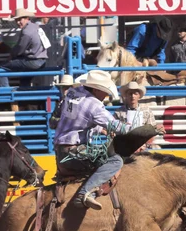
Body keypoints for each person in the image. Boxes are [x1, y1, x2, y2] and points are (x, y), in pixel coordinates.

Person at [54, 70, 132, 210]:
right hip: (74, 153)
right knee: (115, 160)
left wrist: (100, 129)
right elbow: (117, 126)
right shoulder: (94, 105)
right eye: (105, 91)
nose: (106, 95)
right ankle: (85, 193)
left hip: (61, 152)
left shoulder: (74, 92)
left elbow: (79, 120)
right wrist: (139, 129)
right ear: (96, 89)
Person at [0, 8, 48, 88]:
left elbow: (19, 49)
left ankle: (4, 92)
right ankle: (24, 97)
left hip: (33, 62)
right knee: (24, 79)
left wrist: (11, 55)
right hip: (42, 61)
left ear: (27, 18)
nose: (18, 22)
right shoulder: (36, 27)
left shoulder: (26, 32)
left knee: (2, 67)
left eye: (20, 19)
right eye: (16, 20)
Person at [114, 81, 159, 151]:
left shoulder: (146, 111)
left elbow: (152, 130)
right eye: (130, 93)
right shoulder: (119, 112)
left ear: (139, 96)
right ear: (126, 95)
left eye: (135, 93)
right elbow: (113, 130)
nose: (132, 96)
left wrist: (144, 144)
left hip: (142, 145)